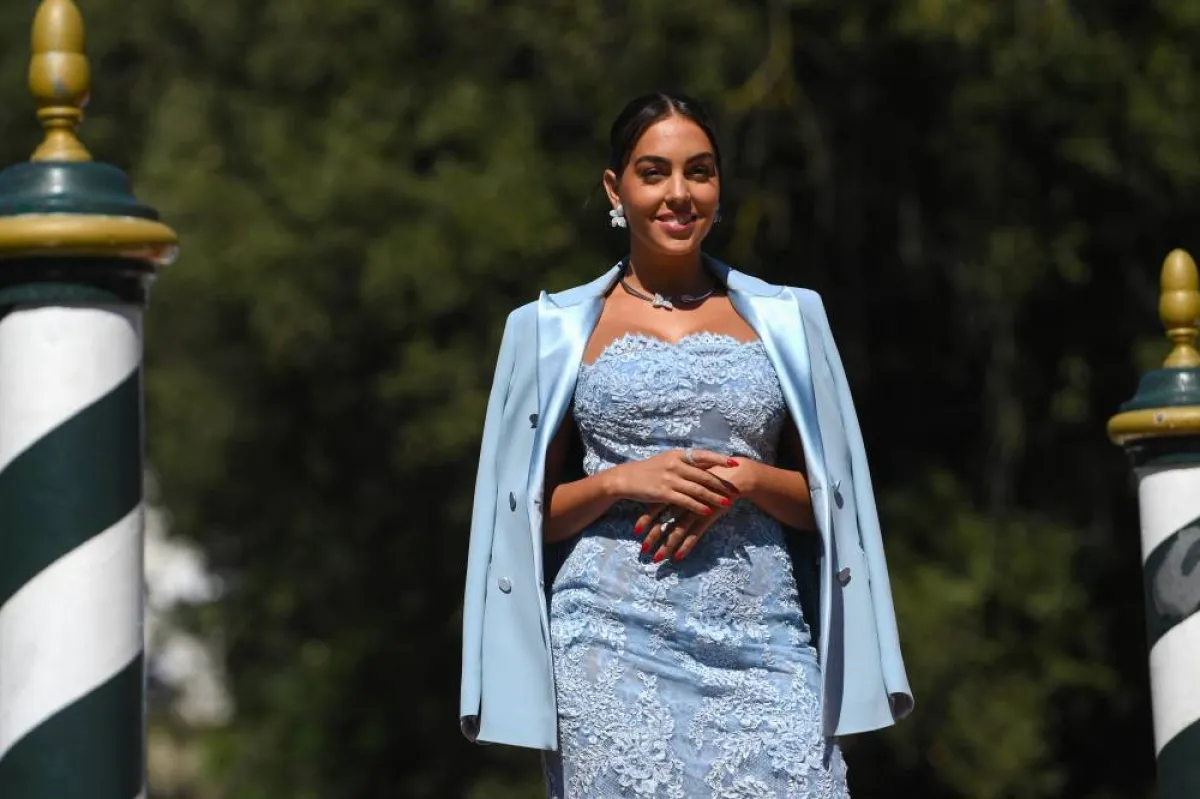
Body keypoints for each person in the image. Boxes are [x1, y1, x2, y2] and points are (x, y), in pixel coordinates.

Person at [460, 91, 913, 798]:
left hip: (763, 638)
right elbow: (522, 517)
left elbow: (831, 500)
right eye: (654, 172)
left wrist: (746, 479)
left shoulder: (791, 318)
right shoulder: (547, 331)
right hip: (609, 636)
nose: (679, 193)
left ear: (718, 186)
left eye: (698, 172)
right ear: (616, 188)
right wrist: (622, 481)